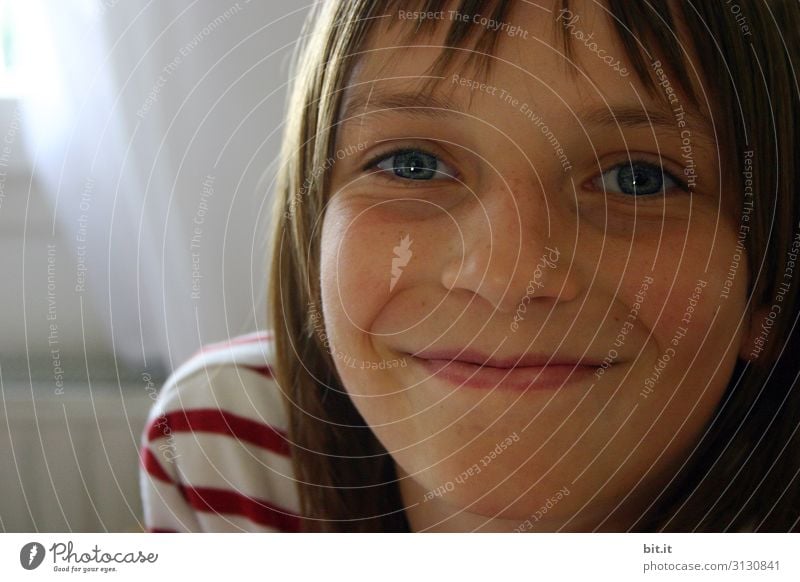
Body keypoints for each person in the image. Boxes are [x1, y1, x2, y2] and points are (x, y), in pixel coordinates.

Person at [140, 0, 800, 532]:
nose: (508, 276)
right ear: (315, 241)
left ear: (769, 285)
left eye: (638, 179)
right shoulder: (229, 448)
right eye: (412, 165)